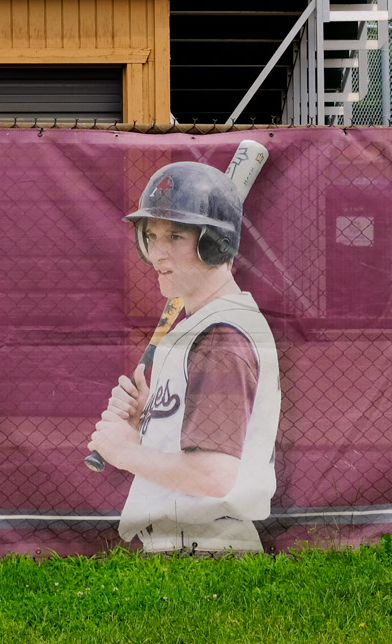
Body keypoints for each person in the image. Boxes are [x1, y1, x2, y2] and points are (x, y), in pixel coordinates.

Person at [88, 160, 281, 554]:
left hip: (202, 553)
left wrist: (125, 452)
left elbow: (214, 474)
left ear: (215, 243)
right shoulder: (206, 325)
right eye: (151, 235)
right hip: (190, 547)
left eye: (175, 236)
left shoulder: (222, 337)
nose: (158, 252)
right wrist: (151, 419)